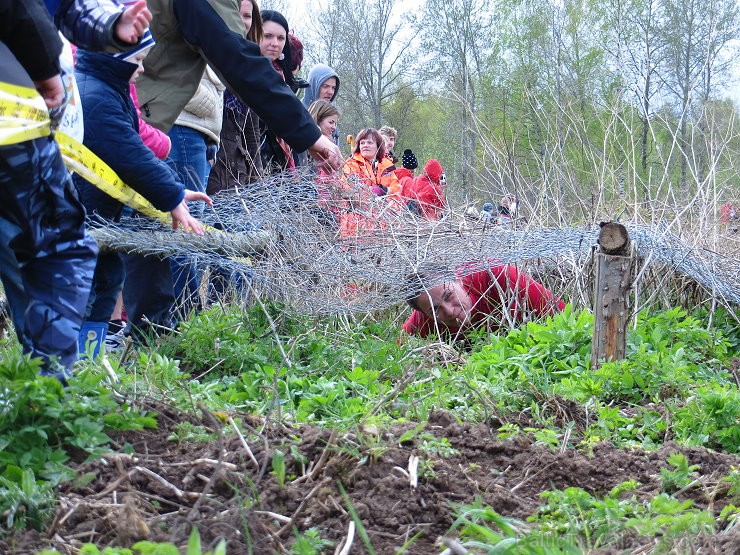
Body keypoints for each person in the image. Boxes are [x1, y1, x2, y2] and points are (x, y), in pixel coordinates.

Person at [0, 0, 152, 381]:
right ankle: (48, 390)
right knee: (59, 249)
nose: (144, 68)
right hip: (14, 109)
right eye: (140, 60)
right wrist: (45, 66)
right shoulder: (100, 92)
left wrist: (109, 24)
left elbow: (66, 5)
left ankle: (66, 365)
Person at [74, 34, 212, 351]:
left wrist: (174, 188)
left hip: (99, 215)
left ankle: (87, 360)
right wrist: (173, 196)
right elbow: (130, 155)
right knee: (88, 287)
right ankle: (69, 362)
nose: (142, 69)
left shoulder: (107, 89)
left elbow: (137, 148)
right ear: (116, 58)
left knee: (107, 279)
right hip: (81, 215)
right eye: (137, 61)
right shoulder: (96, 97)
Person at [134, 0, 342, 172]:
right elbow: (239, 60)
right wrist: (310, 134)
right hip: (144, 125)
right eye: (268, 36)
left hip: (137, 121)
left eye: (281, 38)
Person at [402, 264, 566, 339]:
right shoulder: (422, 321)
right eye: (436, 310)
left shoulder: (497, 276)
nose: (449, 311)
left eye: (448, 296)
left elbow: (565, 316)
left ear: (458, 280)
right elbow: (397, 350)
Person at [207, 0, 264, 194]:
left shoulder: (250, 70)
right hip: (209, 170)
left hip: (237, 177)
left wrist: (258, 184)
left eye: (247, 16)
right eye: (235, 12)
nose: (242, 21)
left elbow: (252, 134)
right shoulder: (207, 56)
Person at [258, 9, 297, 173]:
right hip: (253, 156)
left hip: (278, 160)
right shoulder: (242, 73)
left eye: (281, 38)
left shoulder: (284, 79)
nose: (275, 43)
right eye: (268, 36)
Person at [342, 128, 401, 196]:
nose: (365, 145)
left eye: (369, 142)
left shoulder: (387, 165)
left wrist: (384, 191)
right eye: (362, 143)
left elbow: (397, 190)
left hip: (387, 205)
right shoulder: (351, 165)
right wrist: (374, 191)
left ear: (378, 146)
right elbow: (349, 190)